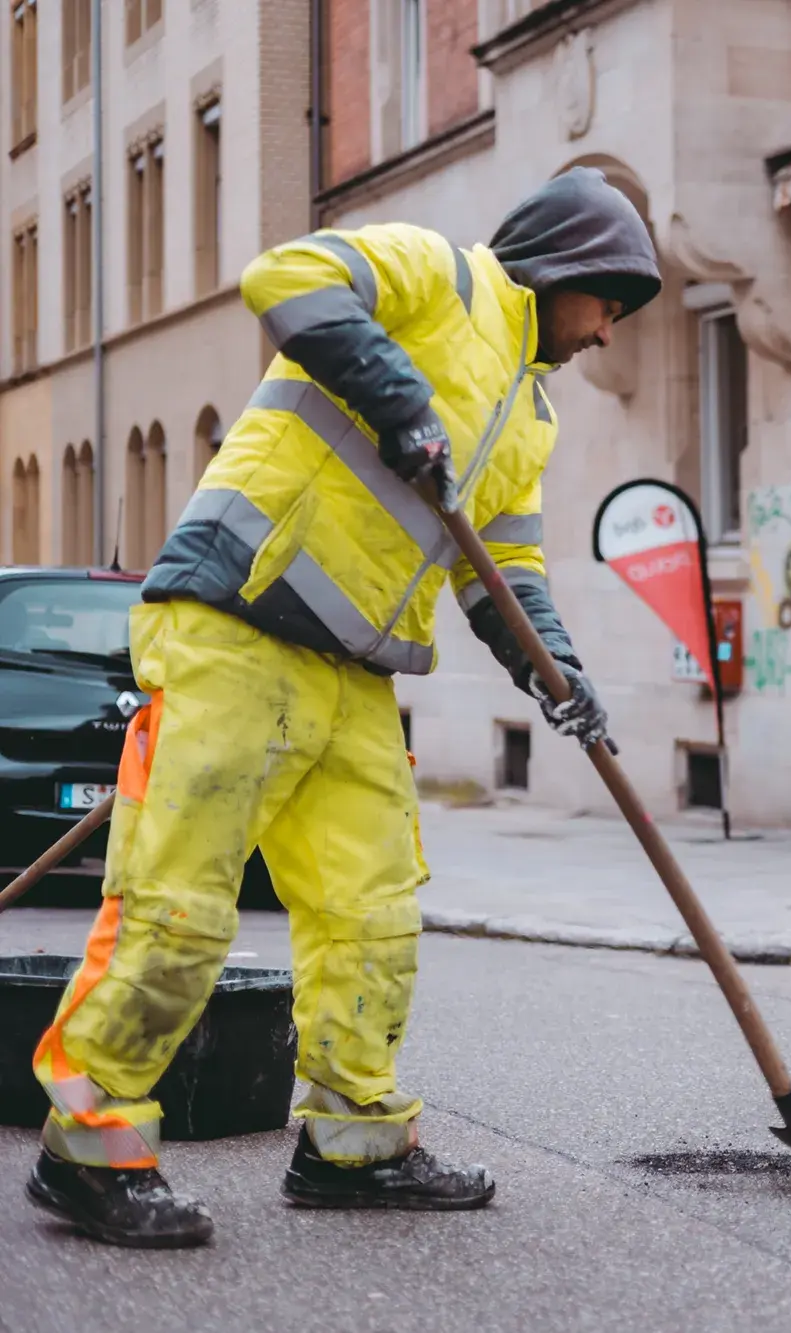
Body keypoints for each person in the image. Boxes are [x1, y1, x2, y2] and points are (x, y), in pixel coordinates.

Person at [25, 167, 662, 1248]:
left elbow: (502, 568)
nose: (606, 331)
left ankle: (352, 1146)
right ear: (568, 269)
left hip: (352, 673)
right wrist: (401, 400)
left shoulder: (530, 415)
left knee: (373, 911)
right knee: (179, 909)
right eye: (610, 302)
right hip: (234, 624)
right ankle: (89, 1152)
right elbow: (286, 275)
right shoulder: (437, 275)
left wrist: (557, 672)